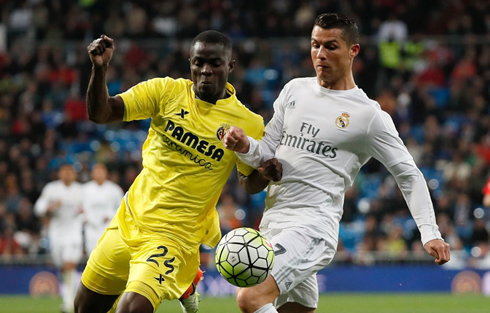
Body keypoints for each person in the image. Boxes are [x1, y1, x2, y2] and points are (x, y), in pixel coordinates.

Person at [223, 13, 451, 313]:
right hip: (273, 221)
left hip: (312, 227)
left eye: (331, 46)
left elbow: (408, 174)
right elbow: (267, 153)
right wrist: (244, 146)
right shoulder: (294, 90)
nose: (320, 54)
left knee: (250, 298)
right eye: (315, 45)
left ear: (353, 50)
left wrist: (430, 231)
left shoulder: (368, 116)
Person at [74, 30, 279, 313]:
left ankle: (186, 275)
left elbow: (248, 183)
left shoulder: (249, 123)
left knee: (131, 310)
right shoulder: (165, 92)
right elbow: (101, 113)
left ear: (230, 66)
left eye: (215, 63)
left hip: (175, 237)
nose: (205, 71)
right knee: (84, 308)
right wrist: (100, 69)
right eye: (199, 63)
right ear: (190, 63)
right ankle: (188, 283)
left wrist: (265, 173)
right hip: (128, 221)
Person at [34, 164, 84, 313]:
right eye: (64, 171)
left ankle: (69, 303)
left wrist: (83, 214)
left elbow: (87, 211)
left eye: (70, 172)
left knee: (70, 264)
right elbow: (38, 208)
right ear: (60, 174)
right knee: (62, 267)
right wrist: (50, 207)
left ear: (74, 174)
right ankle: (69, 297)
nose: (67, 174)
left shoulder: (80, 190)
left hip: (74, 233)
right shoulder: (52, 189)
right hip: (56, 234)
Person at [82, 163, 123, 255]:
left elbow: (121, 208)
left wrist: (110, 215)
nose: (99, 175)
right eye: (97, 172)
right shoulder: (85, 189)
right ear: (92, 174)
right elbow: (80, 207)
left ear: (106, 174)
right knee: (92, 254)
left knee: (108, 254)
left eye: (101, 172)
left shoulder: (115, 189)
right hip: (91, 227)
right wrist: (84, 217)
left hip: (108, 226)